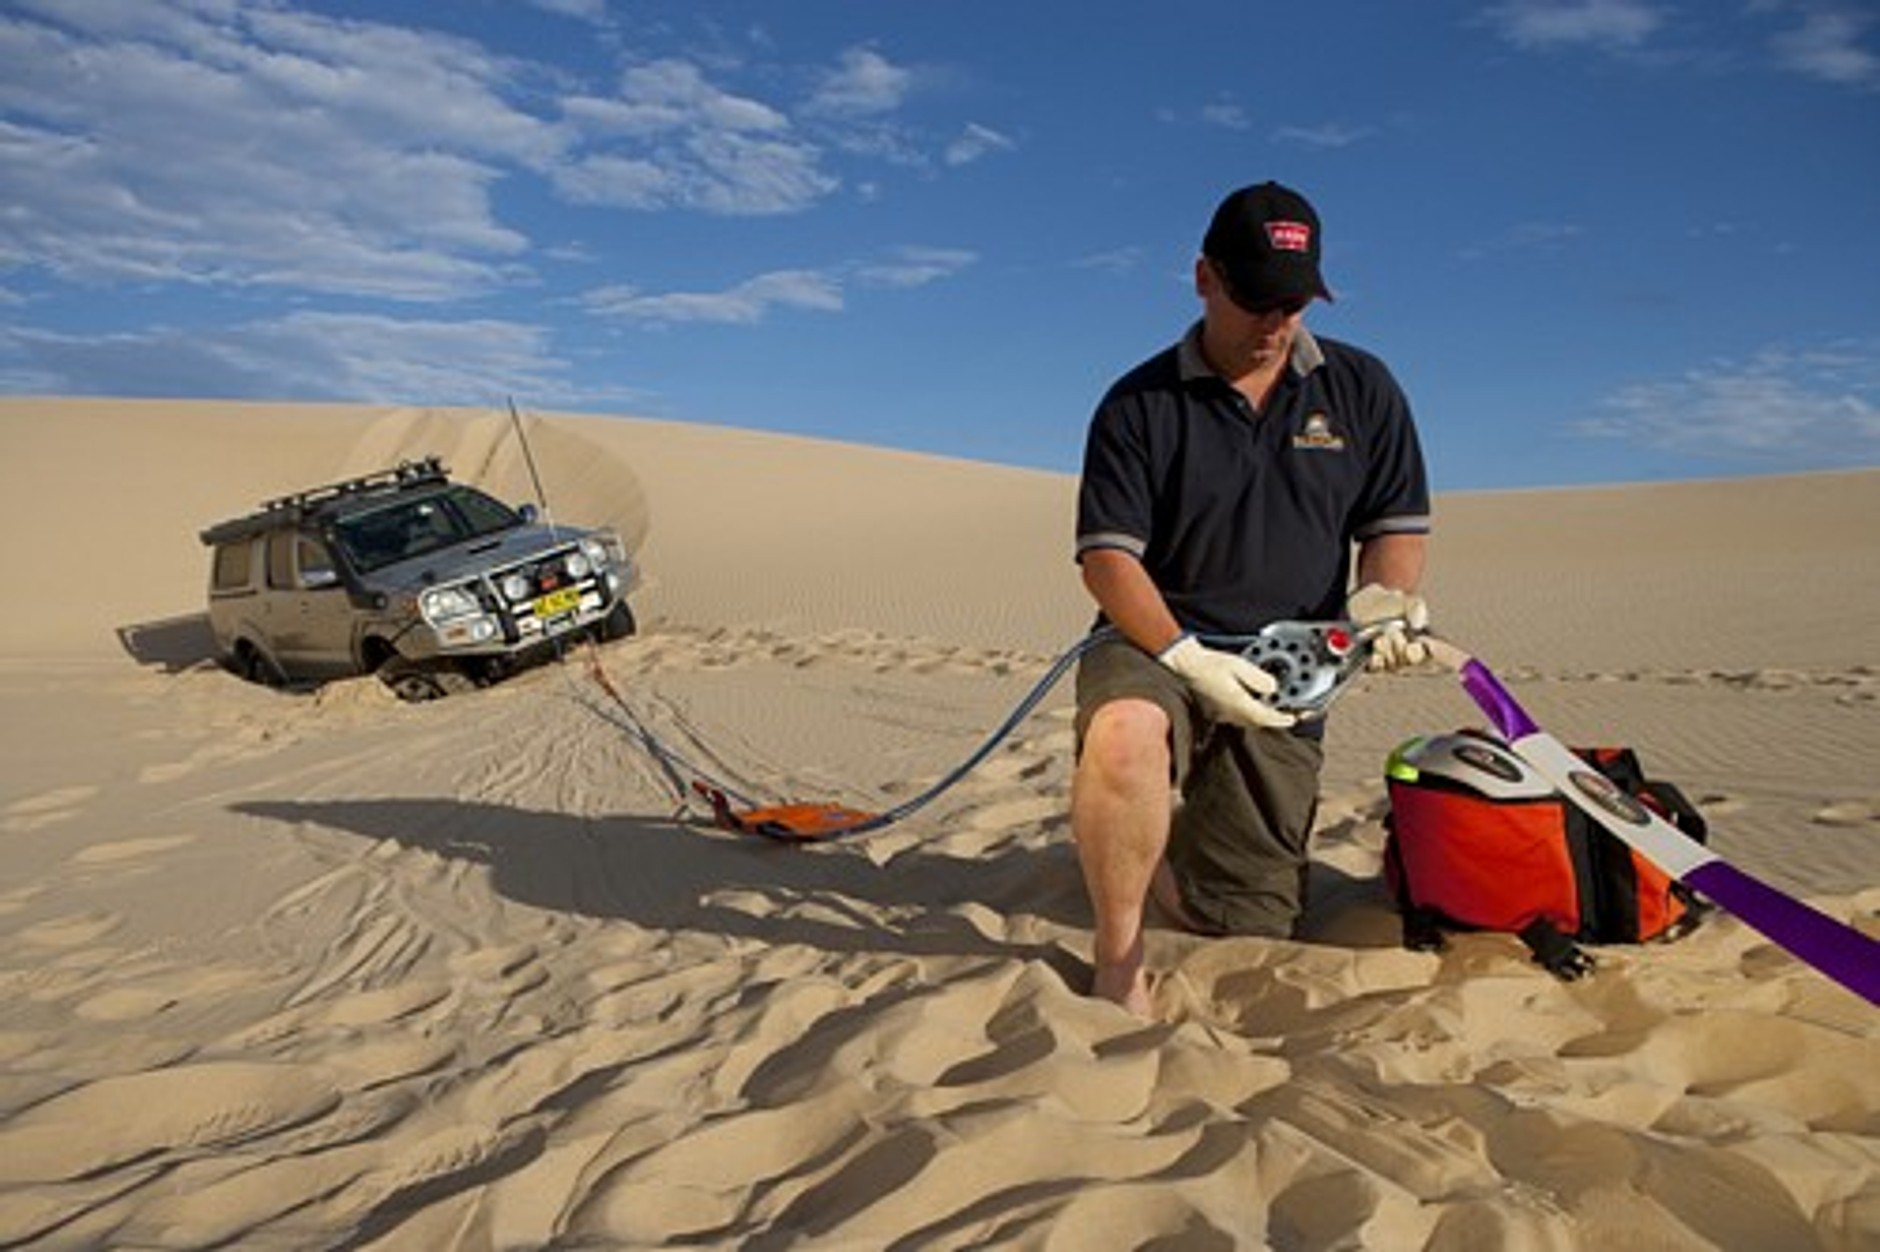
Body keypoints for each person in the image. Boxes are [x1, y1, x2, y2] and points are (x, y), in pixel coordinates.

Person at [1071, 180, 1432, 1016]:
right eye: (1256, 297)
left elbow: (1395, 530)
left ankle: (1165, 859)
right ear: (1204, 278)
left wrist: (1383, 599)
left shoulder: (1363, 389)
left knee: (1240, 919)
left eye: (1294, 302)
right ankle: (1118, 958)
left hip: (1291, 660)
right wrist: (1184, 658)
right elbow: (1107, 562)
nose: (1275, 322)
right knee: (1127, 735)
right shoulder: (1139, 404)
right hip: (1155, 634)